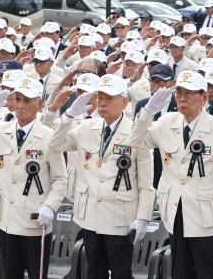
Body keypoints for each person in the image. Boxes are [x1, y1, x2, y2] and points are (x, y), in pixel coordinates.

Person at [129, 71, 213, 279]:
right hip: (176, 213)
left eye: (189, 93)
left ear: (204, 97)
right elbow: (135, 142)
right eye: (179, 92)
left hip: (207, 218)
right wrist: (148, 112)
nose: (182, 98)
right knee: (180, 273)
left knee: (206, 273)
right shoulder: (166, 123)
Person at [50, 74, 155, 279]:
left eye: (109, 98)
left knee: (120, 273)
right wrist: (68, 116)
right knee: (94, 272)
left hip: (120, 216)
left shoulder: (136, 131)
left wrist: (142, 217)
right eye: (100, 97)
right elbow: (54, 145)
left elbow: (145, 182)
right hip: (91, 215)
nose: (103, 102)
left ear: (124, 102)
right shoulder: (87, 127)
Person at [0, 78, 67, 278]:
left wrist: (50, 206)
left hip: (34, 219)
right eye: (17, 99)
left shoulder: (48, 135)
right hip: (6, 217)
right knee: (10, 273)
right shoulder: (0, 130)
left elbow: (60, 179)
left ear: (39, 103)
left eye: (26, 100)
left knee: (37, 274)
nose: (20, 105)